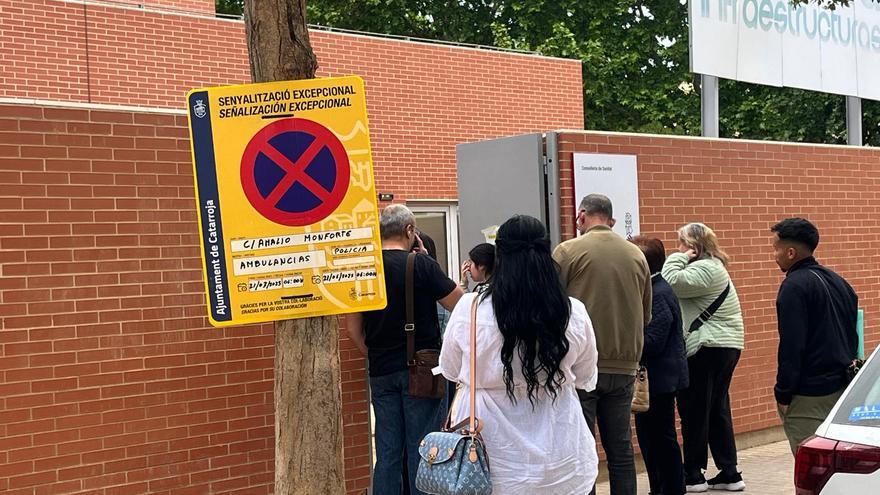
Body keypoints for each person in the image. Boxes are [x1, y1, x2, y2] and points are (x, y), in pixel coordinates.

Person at [440, 215, 599, 494]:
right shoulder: (572, 311)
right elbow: (586, 377)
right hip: (561, 457)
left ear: (500, 256)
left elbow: (450, 369)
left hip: (487, 457)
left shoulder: (470, 309)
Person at [346, 204, 464, 495]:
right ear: (409, 230)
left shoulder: (365, 269)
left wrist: (372, 354)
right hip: (421, 372)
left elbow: (353, 329)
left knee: (387, 452)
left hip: (381, 371)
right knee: (422, 448)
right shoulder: (421, 265)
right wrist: (428, 263)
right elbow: (462, 306)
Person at [552, 194, 652, 495]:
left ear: (582, 216)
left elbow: (552, 307)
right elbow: (646, 314)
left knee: (582, 450)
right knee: (621, 449)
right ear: (612, 220)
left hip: (581, 366)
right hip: (624, 365)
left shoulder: (567, 251)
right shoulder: (636, 255)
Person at [661, 223, 745, 492]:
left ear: (693, 246)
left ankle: (693, 474)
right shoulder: (714, 267)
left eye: (681, 243)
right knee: (717, 409)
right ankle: (729, 472)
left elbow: (670, 281)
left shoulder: (705, 269)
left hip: (706, 346)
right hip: (723, 345)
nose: (678, 247)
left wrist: (678, 257)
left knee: (694, 410)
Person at [770, 218, 859, 455]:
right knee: (837, 462)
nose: (774, 256)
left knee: (811, 464)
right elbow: (852, 333)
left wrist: (783, 392)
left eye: (776, 249)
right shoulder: (839, 282)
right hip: (842, 386)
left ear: (791, 252)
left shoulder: (794, 287)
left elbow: (792, 345)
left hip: (809, 394)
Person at [630, 236, 689, 495]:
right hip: (656, 378)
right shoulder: (652, 289)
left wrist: (625, 342)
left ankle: (672, 488)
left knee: (661, 438)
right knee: (649, 438)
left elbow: (654, 341)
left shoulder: (658, 293)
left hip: (661, 380)